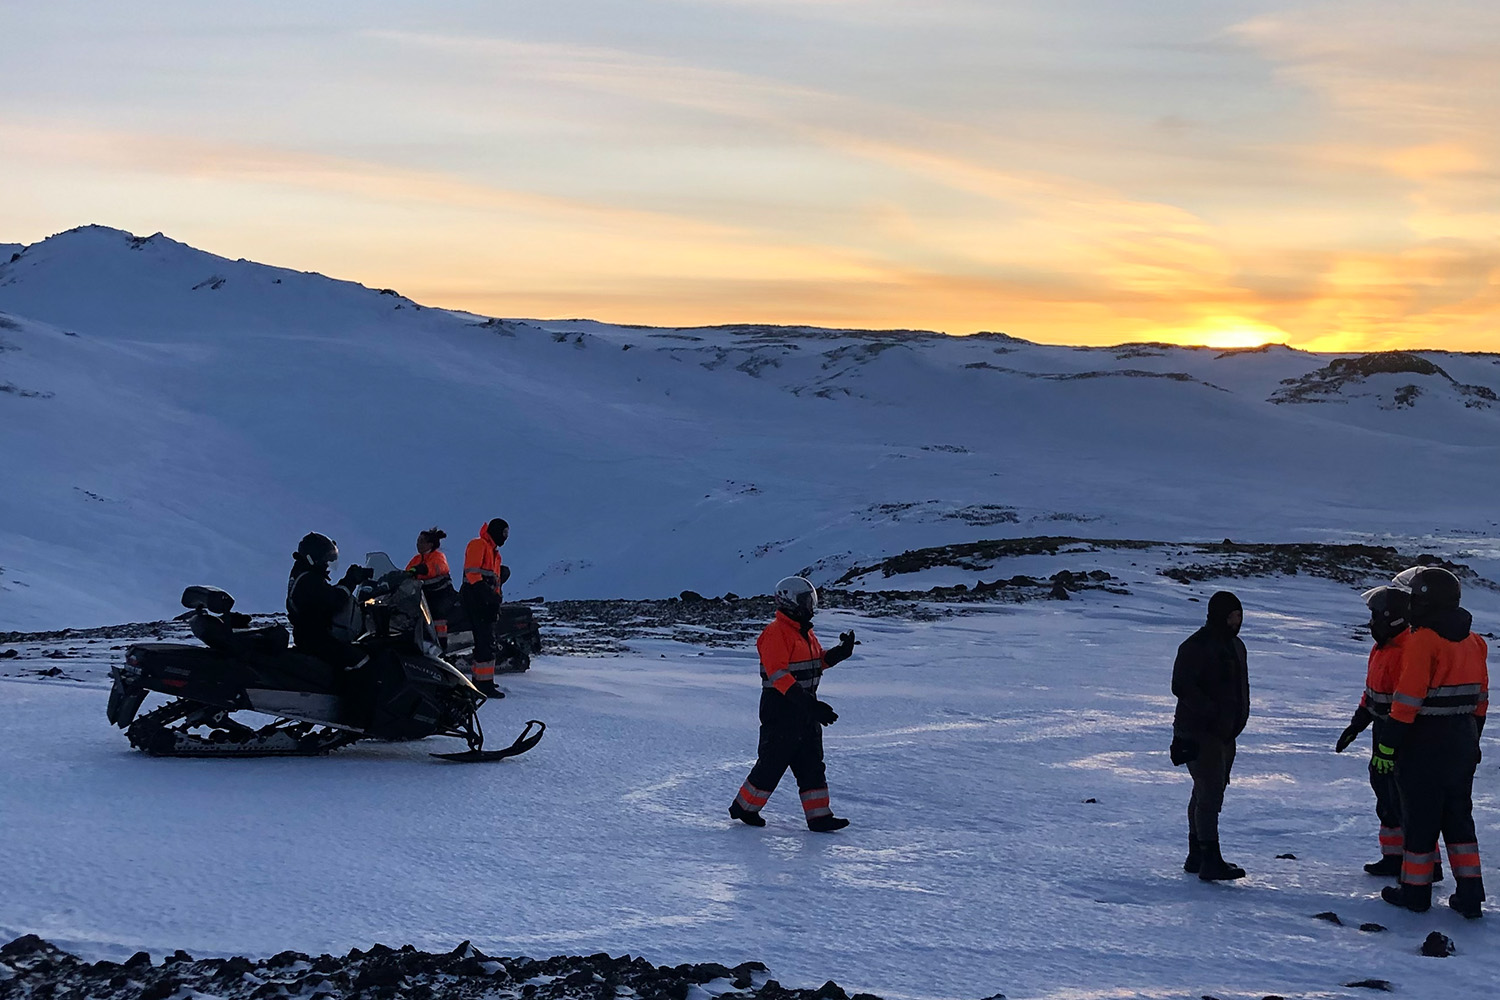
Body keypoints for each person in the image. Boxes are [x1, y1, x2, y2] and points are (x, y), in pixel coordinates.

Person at [1378, 567, 1488, 918]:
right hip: (1463, 740)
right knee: (1459, 819)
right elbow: (1481, 701)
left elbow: (1407, 700)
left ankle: (1415, 892)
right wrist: (1473, 740)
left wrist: (1387, 745)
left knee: (1420, 819)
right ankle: (1470, 894)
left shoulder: (1422, 639)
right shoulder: (1476, 642)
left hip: (1424, 741)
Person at [729, 576, 857, 832]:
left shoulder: (805, 633)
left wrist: (838, 653)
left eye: (810, 600)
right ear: (790, 602)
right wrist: (810, 705)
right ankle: (744, 808)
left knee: (812, 763)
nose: (810, 605)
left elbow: (815, 663)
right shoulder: (776, 633)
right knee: (772, 763)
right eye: (805, 601)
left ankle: (819, 817)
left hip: (805, 708)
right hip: (781, 709)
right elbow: (779, 675)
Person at [1335, 586, 1414, 878]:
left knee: (1405, 797)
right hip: (1382, 729)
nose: (1371, 623)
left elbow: (1408, 702)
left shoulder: (1409, 650)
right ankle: (1393, 857)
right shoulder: (1382, 648)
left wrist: (1391, 741)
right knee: (1385, 793)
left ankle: (1424, 862)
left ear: (1392, 618)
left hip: (1404, 734)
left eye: (1375, 616)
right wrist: (1356, 725)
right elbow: (1373, 693)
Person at [1170, 591, 1250, 881]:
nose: (1237, 621)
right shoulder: (1195, 646)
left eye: (1239, 616)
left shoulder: (1236, 647)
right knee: (1209, 792)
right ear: (1219, 615)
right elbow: (1181, 685)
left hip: (1225, 734)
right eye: (1232, 616)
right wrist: (1212, 713)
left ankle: (1197, 854)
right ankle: (1210, 858)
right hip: (1199, 732)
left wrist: (1231, 722)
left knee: (1207, 790)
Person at [286, 531, 373, 673]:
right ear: (313, 557)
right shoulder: (308, 579)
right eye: (325, 559)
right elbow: (333, 600)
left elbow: (326, 595)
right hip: (315, 640)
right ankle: (352, 695)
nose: (327, 565)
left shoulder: (304, 575)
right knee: (361, 661)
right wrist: (351, 580)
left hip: (311, 636)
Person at [461, 518, 508, 697]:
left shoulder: (495, 553)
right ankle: (482, 685)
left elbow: (494, 579)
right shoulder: (478, 545)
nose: (505, 537)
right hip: (475, 599)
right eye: (504, 533)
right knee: (484, 642)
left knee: (487, 642)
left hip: (485, 600)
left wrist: (495, 600)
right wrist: (486, 595)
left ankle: (484, 681)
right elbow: (472, 573)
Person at [406, 527, 454, 650]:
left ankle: (441, 645)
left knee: (437, 616)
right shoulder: (416, 559)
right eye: (418, 541)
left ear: (430, 544)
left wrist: (422, 569)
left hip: (440, 594)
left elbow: (437, 568)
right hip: (424, 596)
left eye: (421, 541)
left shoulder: (438, 556)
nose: (418, 544)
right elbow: (407, 572)